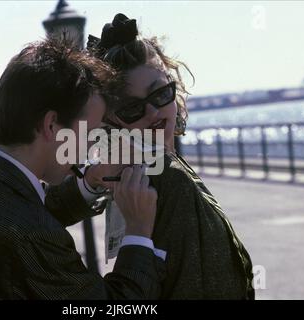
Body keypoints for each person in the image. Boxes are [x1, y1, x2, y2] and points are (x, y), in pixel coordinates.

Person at [0, 38, 166, 299]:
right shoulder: (32, 236)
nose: (92, 146)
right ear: (52, 126)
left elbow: (17, 206)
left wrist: (88, 184)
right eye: (91, 132)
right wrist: (138, 231)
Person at [83, 13, 255, 299]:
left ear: (172, 84)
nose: (153, 113)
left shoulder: (144, 171)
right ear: (110, 120)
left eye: (160, 94)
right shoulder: (164, 175)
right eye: (132, 108)